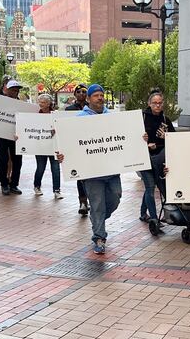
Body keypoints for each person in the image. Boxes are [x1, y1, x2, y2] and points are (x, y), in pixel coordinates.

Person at [57, 84, 148, 254]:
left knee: (115, 198)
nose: (100, 98)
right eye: (96, 95)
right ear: (89, 98)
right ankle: (99, 237)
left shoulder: (113, 118)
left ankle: (97, 219)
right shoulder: (79, 119)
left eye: (101, 95)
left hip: (111, 171)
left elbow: (126, 137)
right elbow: (69, 143)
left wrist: (140, 137)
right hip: (92, 173)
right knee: (97, 205)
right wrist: (63, 155)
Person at [140, 90, 175, 234]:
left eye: (160, 103)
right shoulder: (142, 118)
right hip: (144, 158)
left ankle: (143, 213)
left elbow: (174, 139)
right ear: (149, 103)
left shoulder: (166, 120)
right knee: (150, 187)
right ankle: (154, 219)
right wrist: (144, 143)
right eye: (154, 103)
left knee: (152, 186)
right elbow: (131, 137)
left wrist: (166, 139)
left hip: (160, 158)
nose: (157, 105)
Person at [0, 80, 25, 194]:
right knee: (3, 160)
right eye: (13, 90)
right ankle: (4, 184)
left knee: (17, 161)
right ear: (7, 90)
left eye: (17, 90)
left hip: (16, 137)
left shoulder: (21, 104)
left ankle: (14, 184)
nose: (16, 92)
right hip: (1, 136)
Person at [66, 83, 90, 215]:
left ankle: (91, 199)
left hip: (91, 146)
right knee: (80, 176)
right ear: (75, 94)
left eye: (84, 92)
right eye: (79, 92)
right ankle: (82, 202)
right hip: (76, 146)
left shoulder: (92, 108)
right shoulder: (69, 110)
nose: (81, 94)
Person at [32, 94, 62, 199]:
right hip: (40, 146)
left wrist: (56, 130)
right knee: (40, 167)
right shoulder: (34, 115)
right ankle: (37, 186)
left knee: (56, 168)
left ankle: (57, 190)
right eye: (39, 102)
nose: (40, 104)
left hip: (53, 146)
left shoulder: (55, 114)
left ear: (49, 103)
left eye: (43, 102)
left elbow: (61, 128)